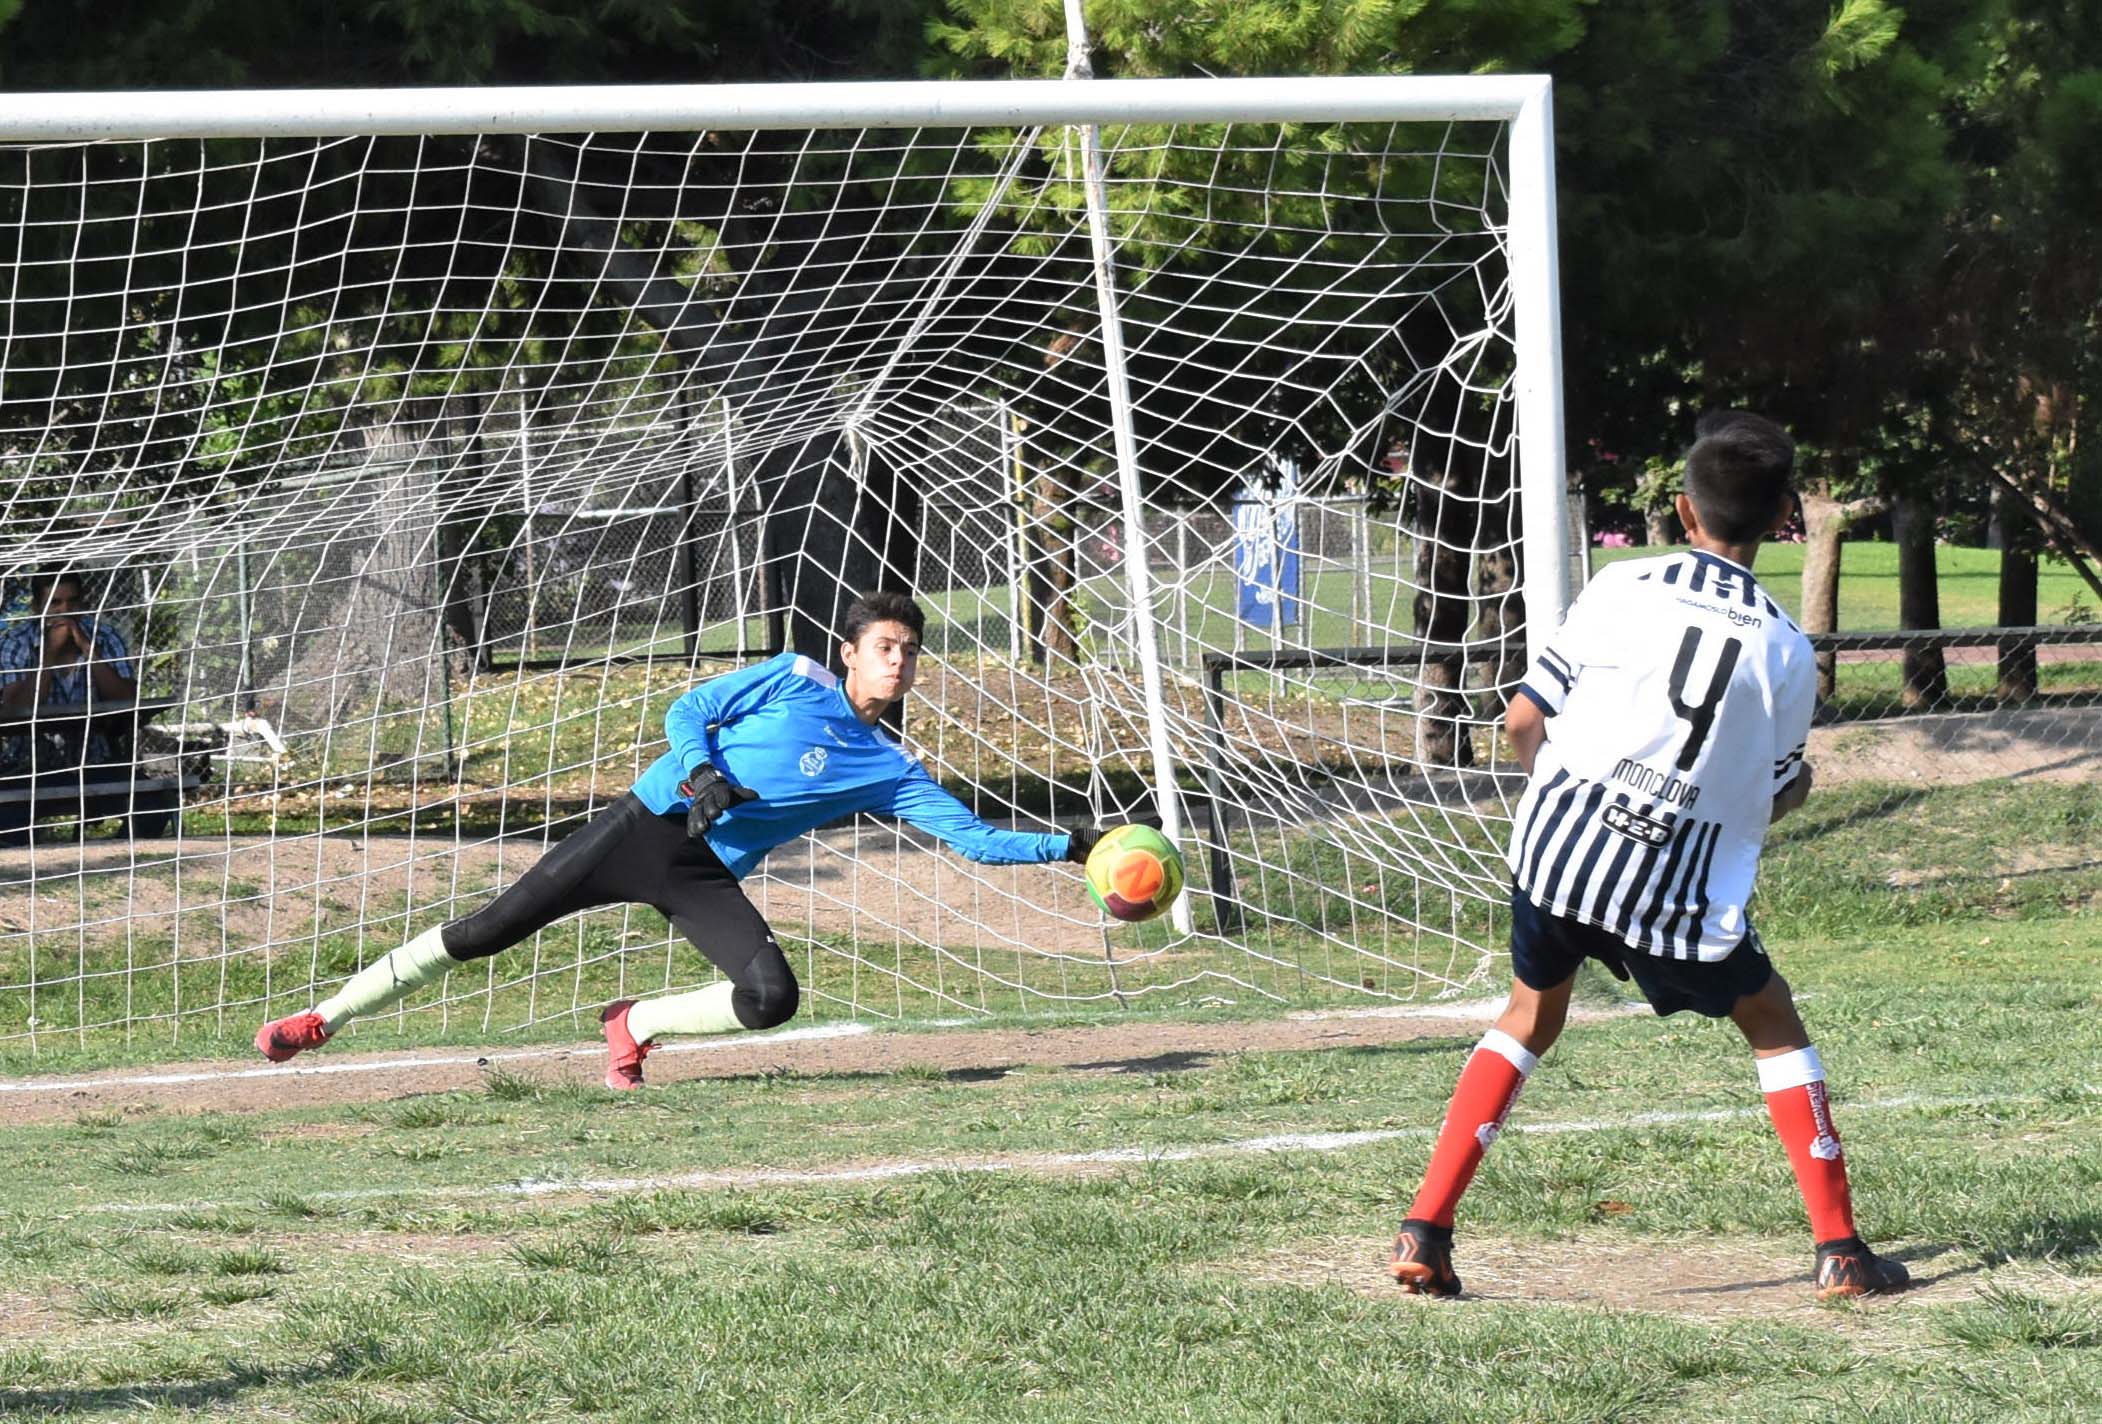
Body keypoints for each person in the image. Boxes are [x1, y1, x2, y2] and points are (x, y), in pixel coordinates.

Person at [1387, 412, 1909, 1302]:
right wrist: (1793, 788)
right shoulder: (1785, 647)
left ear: (1680, 508)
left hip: (1556, 855)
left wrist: (1561, 794)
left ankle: (1426, 1228)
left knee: (1528, 1016)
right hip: (1674, 889)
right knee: (1773, 1021)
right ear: (1785, 516)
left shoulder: (1622, 585)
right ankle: (1841, 1251)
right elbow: (1771, 791)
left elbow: (1522, 721)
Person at [255, 591, 1107, 1088]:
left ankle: (635, 1022)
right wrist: (701, 775)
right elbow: (687, 709)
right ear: (849, 652)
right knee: (483, 934)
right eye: (885, 647)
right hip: (643, 827)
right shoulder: (795, 676)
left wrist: (1073, 848)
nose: (899, 662)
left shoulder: (890, 765)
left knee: (772, 998)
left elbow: (976, 840)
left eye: (910, 653)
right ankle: (319, 1018)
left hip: (700, 870)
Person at [0, 569, 139, 774]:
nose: (65, 609)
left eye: (72, 601)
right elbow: (16, 710)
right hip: (29, 764)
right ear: (37, 607)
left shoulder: (105, 636)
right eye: (55, 603)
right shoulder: (17, 642)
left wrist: (88, 650)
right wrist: (48, 656)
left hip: (97, 761)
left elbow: (128, 700)